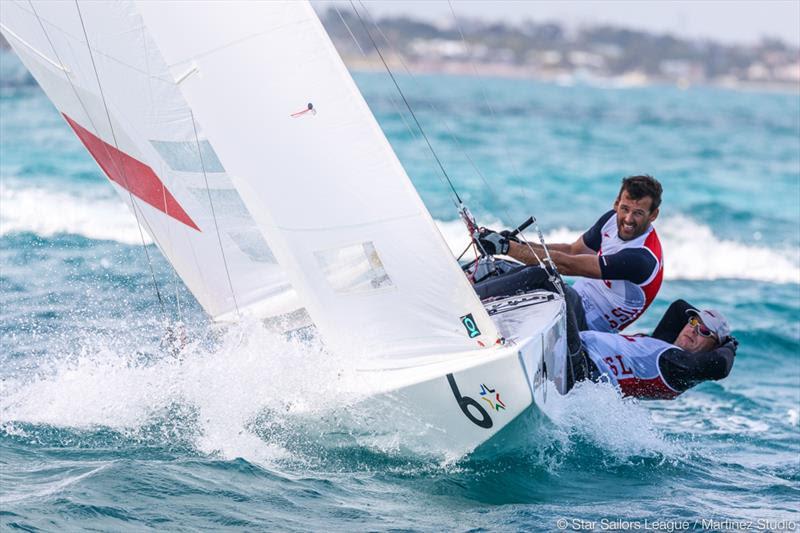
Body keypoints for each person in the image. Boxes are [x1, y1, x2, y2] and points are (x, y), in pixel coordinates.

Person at [476, 175, 664, 333]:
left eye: (638, 213)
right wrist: (520, 244)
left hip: (584, 328)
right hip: (570, 297)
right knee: (493, 266)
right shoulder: (610, 220)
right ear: (616, 204)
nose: (628, 219)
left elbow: (567, 265)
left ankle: (470, 305)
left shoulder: (642, 258)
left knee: (541, 273)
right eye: (625, 209)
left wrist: (508, 248)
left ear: (653, 215)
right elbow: (573, 251)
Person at [566, 300, 738, 400]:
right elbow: (679, 307)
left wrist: (729, 345)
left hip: (580, 364)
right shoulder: (665, 344)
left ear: (713, 348)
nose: (693, 330)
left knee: (561, 291)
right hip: (580, 348)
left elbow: (721, 365)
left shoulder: (677, 367)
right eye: (693, 322)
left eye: (705, 331)